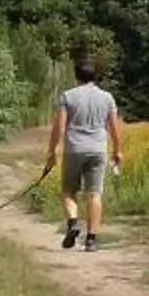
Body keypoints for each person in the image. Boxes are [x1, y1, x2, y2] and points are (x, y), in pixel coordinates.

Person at [45, 57, 124, 251]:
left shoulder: (68, 96)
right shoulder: (107, 98)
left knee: (68, 191)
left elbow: (59, 127)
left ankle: (73, 222)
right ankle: (91, 240)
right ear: (94, 76)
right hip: (97, 149)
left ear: (76, 76)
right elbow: (114, 127)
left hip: (74, 149)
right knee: (94, 194)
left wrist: (52, 150)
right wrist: (117, 150)